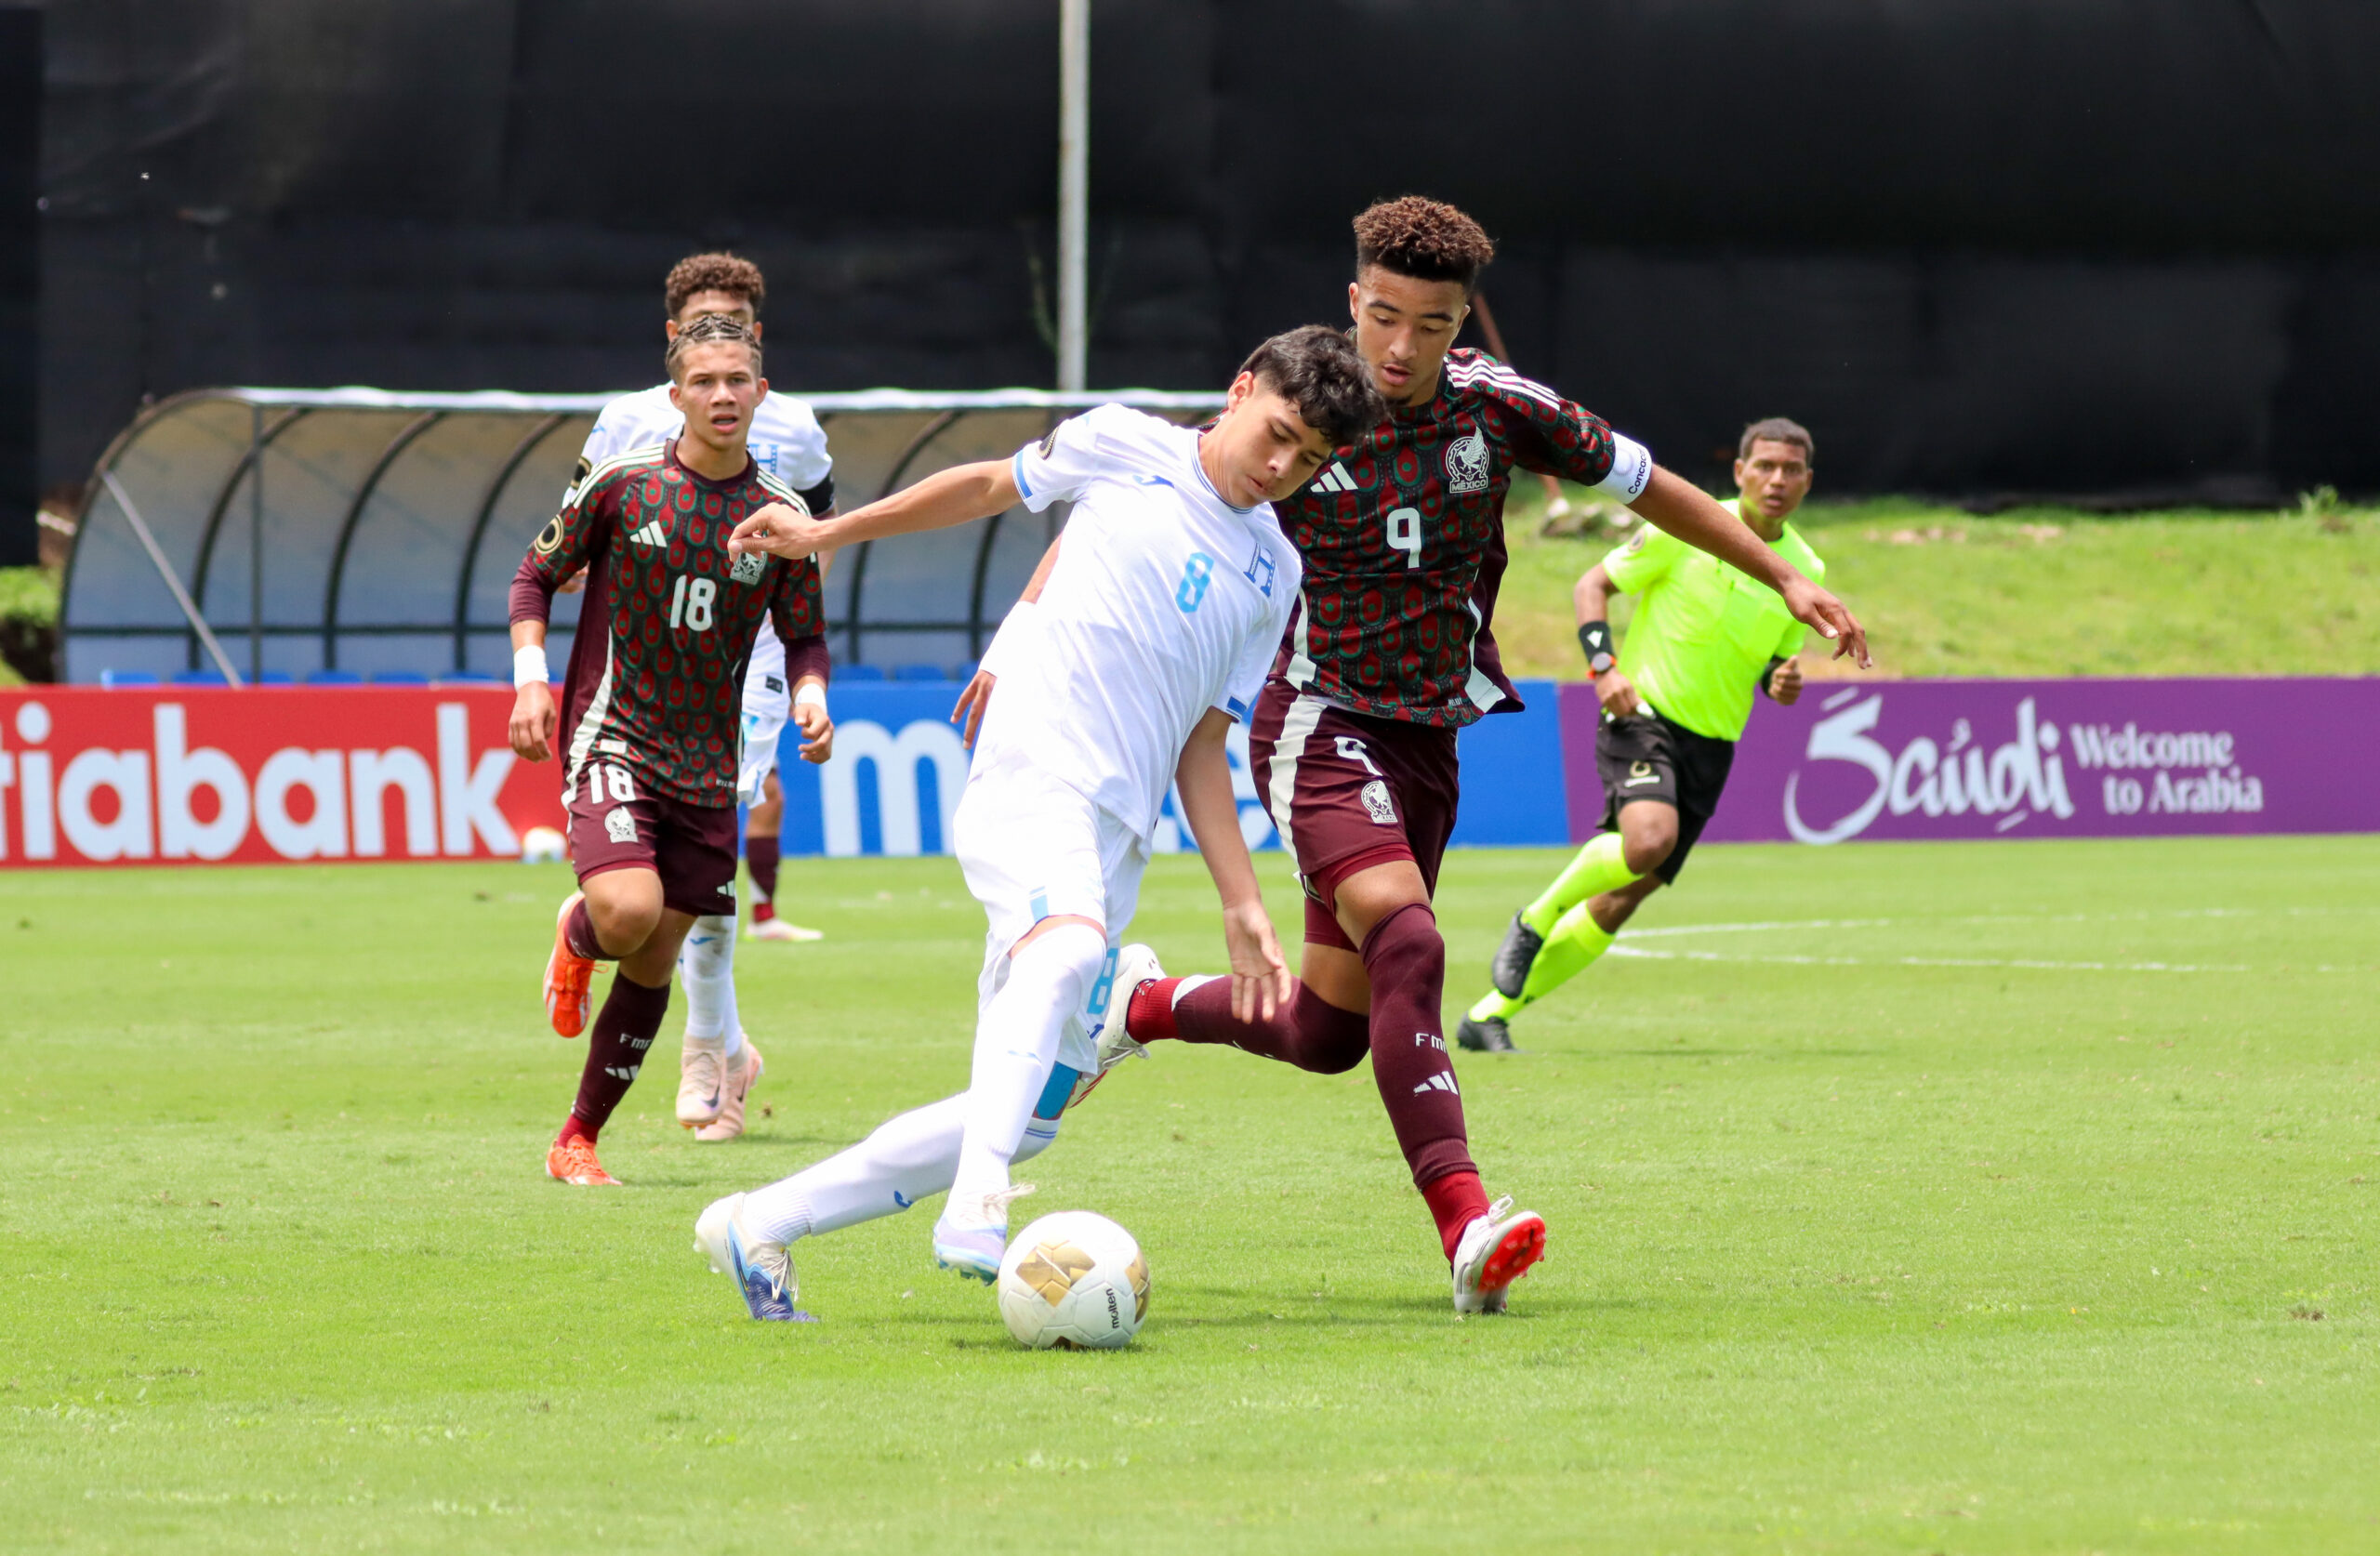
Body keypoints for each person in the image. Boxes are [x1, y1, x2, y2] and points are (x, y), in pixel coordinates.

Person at [1094, 197, 1869, 1314]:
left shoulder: (1500, 408)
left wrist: (1782, 575)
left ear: (1464, 324)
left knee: (1325, 1030)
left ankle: (1142, 1006)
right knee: (1411, 941)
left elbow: (1650, 486)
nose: (1404, 350)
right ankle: (1466, 1220)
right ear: (1352, 301)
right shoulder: (1298, 413)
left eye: (1436, 325)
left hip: (1428, 738)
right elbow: (1148, 500)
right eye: (1386, 317)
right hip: (1315, 718)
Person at [686, 326, 1379, 1321]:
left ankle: (759, 1223)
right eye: (1278, 435)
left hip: (1117, 834)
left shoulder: (1277, 574)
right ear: (1238, 391)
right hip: (1034, 767)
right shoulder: (1124, 444)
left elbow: (1201, 747)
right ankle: (976, 1209)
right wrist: (822, 536)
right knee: (1064, 957)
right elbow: (980, 488)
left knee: (1030, 1112)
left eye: (1311, 460)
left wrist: (1242, 901)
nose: (1282, 469)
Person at [509, 313, 833, 1189]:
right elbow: (535, 575)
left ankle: (577, 1140)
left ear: (761, 394)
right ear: (676, 395)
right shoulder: (624, 486)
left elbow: (803, 635)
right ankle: (579, 934)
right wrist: (532, 679)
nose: (722, 395)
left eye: (738, 381)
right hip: (613, 734)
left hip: (708, 764)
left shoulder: (781, 519)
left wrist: (810, 697)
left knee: (654, 958)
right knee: (625, 913)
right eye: (704, 382)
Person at [1458, 419, 1825, 1051]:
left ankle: (1487, 1016)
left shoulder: (1804, 567)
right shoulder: (1690, 526)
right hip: (1642, 713)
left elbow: (1775, 662)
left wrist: (1782, 681)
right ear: (1739, 472)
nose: (1777, 480)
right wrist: (1604, 668)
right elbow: (1592, 585)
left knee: (1625, 897)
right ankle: (1535, 920)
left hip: (1712, 746)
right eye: (1764, 466)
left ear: (1807, 483)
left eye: (1791, 470)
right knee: (1649, 840)